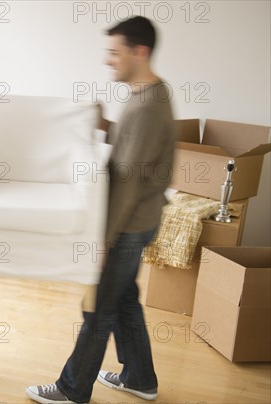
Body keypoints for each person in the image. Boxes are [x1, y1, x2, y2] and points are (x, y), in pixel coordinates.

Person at [27, 16, 176, 403]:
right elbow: (129, 150)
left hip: (128, 224)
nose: (108, 60)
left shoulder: (146, 106)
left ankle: (71, 389)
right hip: (140, 220)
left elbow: (127, 179)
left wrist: (103, 240)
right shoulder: (149, 94)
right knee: (123, 299)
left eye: (114, 52)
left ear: (139, 52)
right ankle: (140, 377)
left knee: (100, 309)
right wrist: (99, 122)